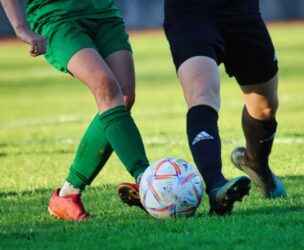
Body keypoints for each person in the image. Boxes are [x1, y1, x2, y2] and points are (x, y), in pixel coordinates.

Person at [119, 0, 288, 216]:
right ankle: (216, 185)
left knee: (265, 107)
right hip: (189, 12)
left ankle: (256, 163)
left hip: (241, 11)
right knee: (201, 94)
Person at [1, 0, 150, 221]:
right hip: (57, 16)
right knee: (106, 87)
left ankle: (67, 195)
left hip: (103, 13)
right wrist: (20, 27)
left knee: (124, 96)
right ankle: (147, 181)